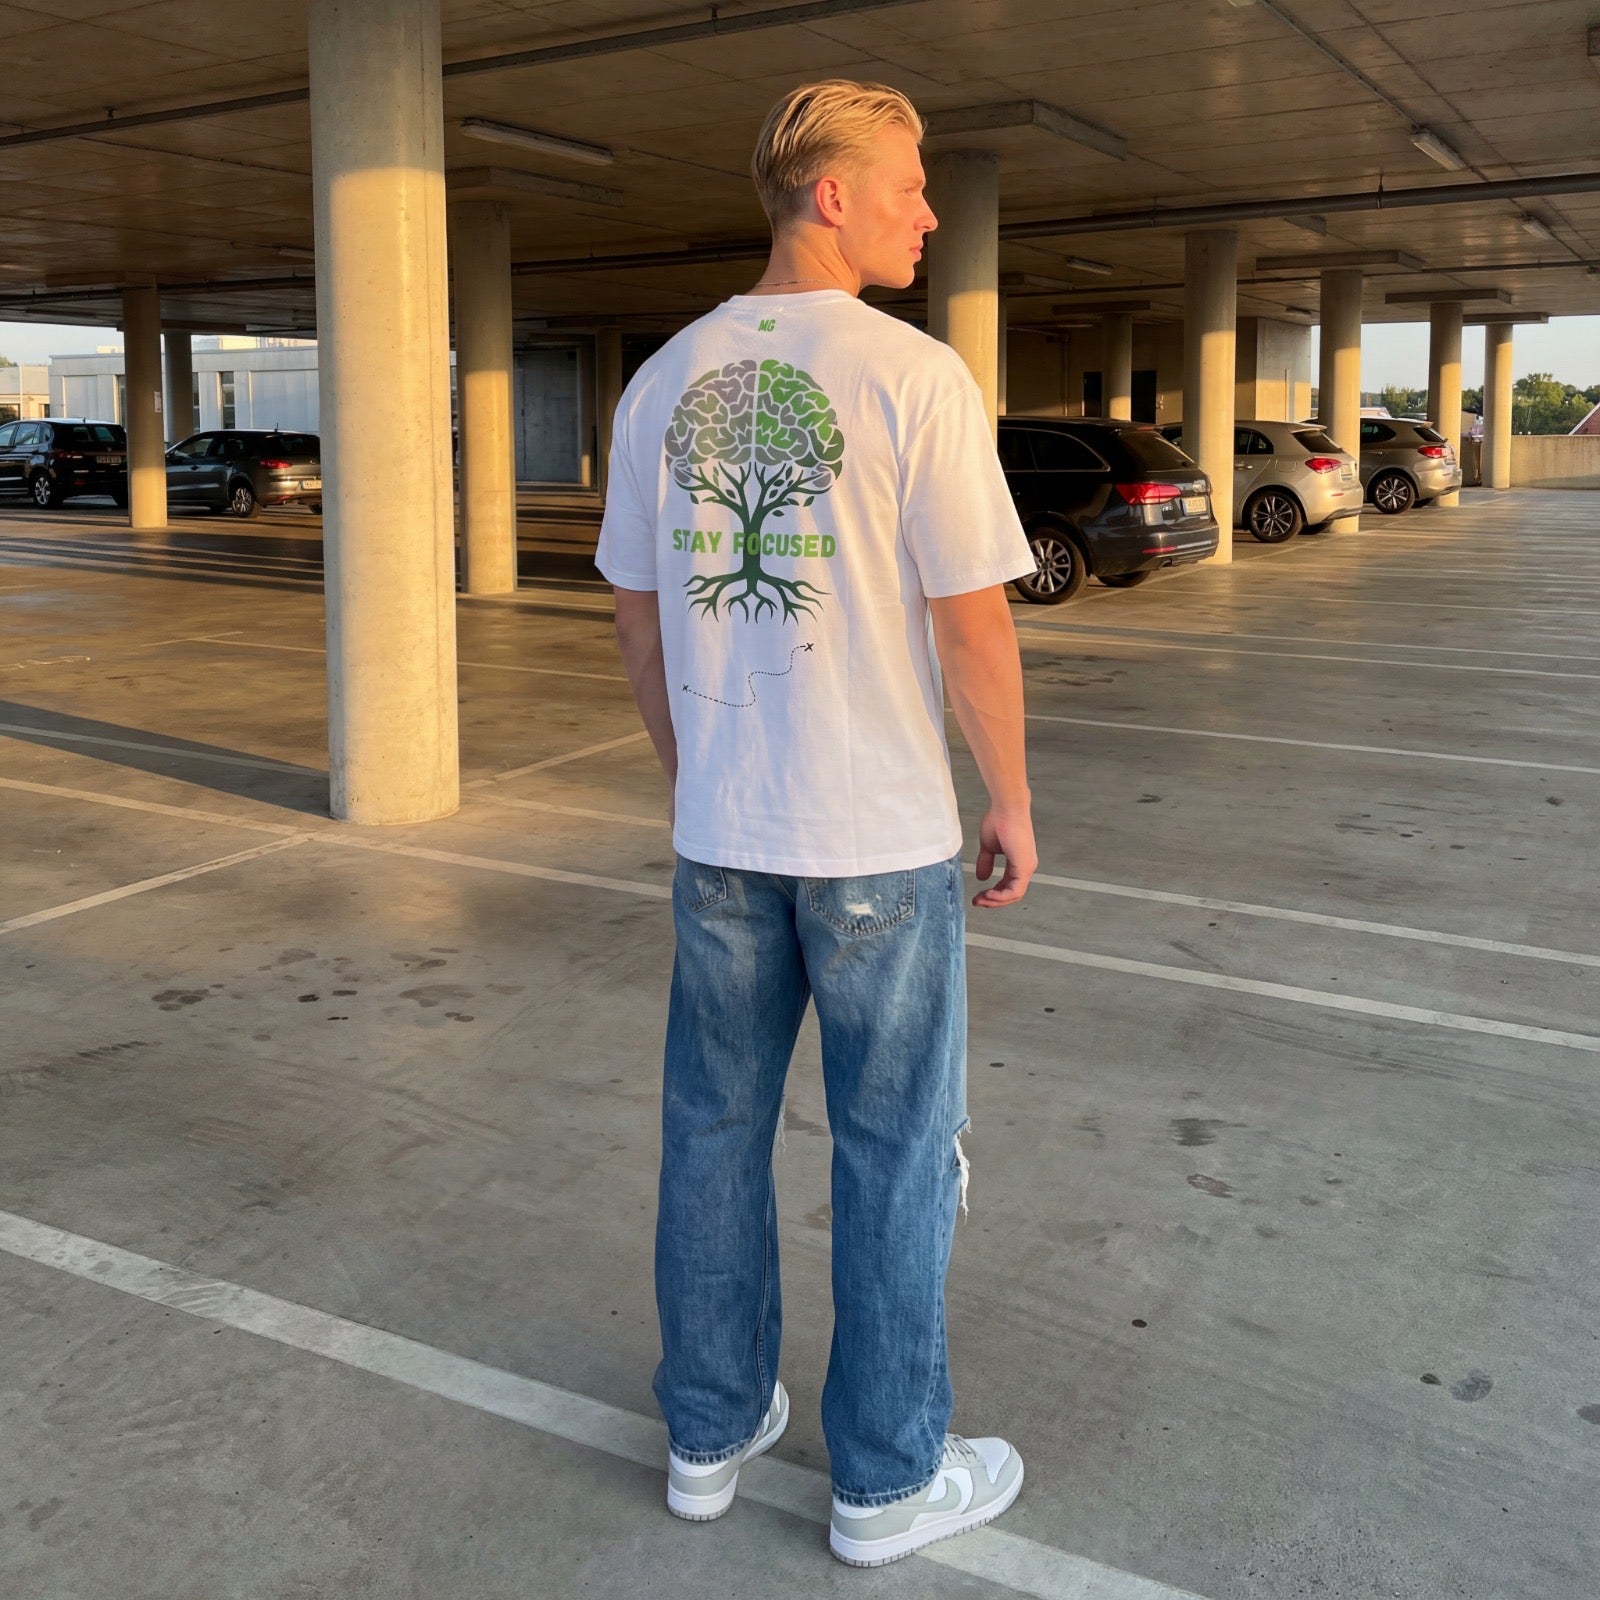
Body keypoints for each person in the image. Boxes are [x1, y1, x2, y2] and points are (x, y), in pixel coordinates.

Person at [596, 78, 1037, 1567]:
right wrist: (1010, 797)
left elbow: (638, 619)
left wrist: (693, 774)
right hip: (879, 844)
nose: (930, 211)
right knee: (894, 1148)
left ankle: (708, 1436)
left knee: (711, 1131)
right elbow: (972, 625)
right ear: (832, 195)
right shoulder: (912, 376)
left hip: (724, 837)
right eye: (909, 185)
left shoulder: (664, 379)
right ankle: (887, 1477)